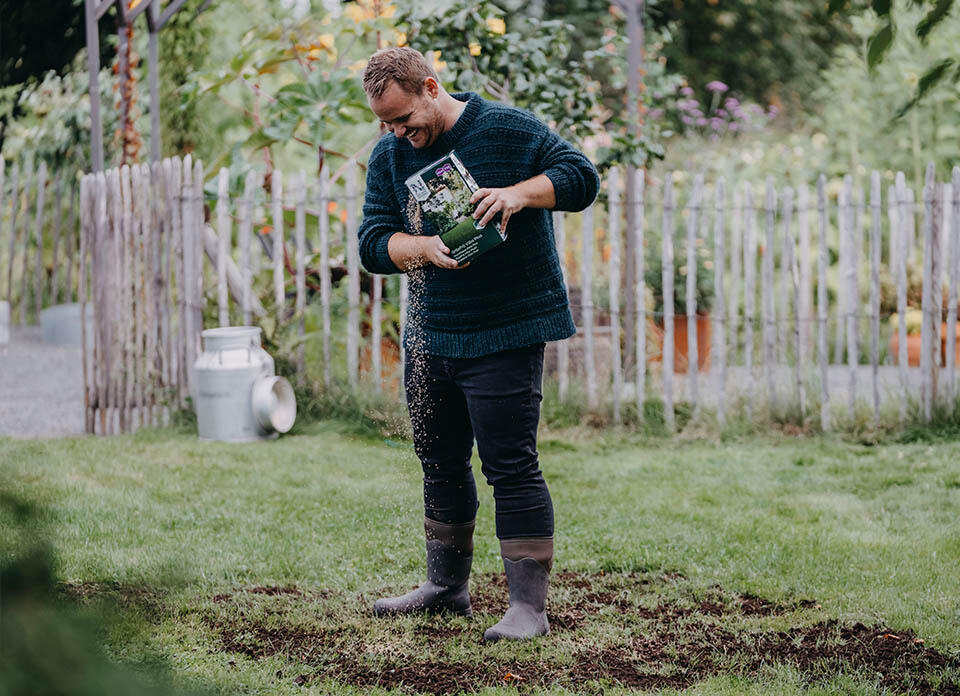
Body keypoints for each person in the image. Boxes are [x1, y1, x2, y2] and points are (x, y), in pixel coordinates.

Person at [357, 46, 599, 642]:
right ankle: (446, 588)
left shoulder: (509, 129)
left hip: (505, 329)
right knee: (437, 461)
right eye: (385, 124)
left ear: (431, 88)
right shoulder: (389, 155)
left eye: (402, 118)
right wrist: (418, 250)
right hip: (430, 332)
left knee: (510, 466)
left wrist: (517, 193)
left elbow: (581, 177)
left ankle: (527, 610)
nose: (395, 133)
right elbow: (370, 241)